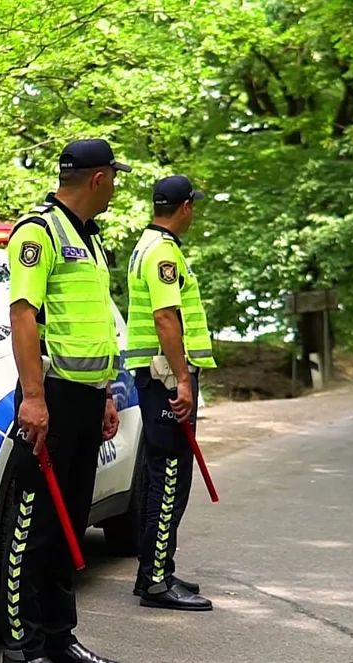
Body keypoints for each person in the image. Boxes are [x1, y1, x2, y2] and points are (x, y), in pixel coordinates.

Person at [0, 139, 130, 663]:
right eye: (114, 178)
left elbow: (91, 327)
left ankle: (58, 639)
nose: (115, 187)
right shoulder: (40, 232)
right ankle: (21, 650)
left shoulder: (90, 240)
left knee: (70, 526)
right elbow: (23, 315)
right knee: (34, 528)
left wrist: (104, 395)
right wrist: (33, 398)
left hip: (85, 400)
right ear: (98, 179)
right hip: (49, 398)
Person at [123, 174, 217, 612]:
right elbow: (165, 317)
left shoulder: (147, 245)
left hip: (155, 377)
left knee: (158, 475)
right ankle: (157, 581)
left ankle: (154, 570)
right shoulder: (163, 252)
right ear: (185, 208)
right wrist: (182, 378)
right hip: (165, 379)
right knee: (170, 479)